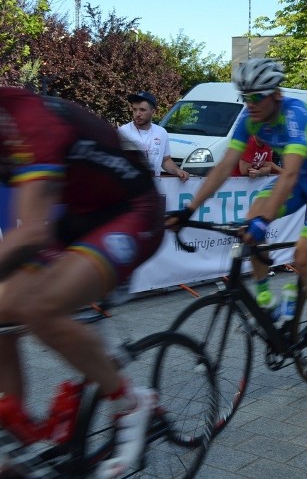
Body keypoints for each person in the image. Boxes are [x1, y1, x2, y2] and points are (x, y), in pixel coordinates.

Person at [0, 87, 164, 477]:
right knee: (3, 311)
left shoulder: (33, 120)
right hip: (79, 213)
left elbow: (30, 235)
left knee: (43, 309)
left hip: (133, 210)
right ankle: (21, 436)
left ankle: (131, 404)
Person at [165, 58, 307, 379]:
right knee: (249, 220)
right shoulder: (250, 119)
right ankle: (267, 303)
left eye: (255, 97)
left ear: (275, 94)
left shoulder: (296, 116)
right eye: (244, 97)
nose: (248, 104)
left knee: (303, 257)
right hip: (302, 176)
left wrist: (263, 223)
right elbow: (224, 167)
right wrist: (188, 210)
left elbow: (289, 173)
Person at [117, 91, 190, 181]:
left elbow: (165, 160)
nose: (137, 114)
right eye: (134, 109)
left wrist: (177, 170)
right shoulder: (123, 132)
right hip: (130, 186)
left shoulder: (161, 132)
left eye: (142, 110)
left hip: (153, 186)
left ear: (153, 112)